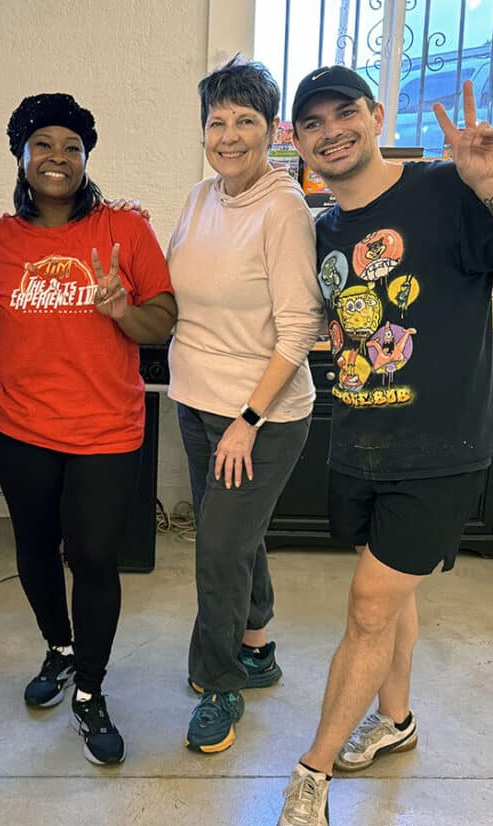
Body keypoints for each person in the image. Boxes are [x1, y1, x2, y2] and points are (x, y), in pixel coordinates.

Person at [273, 66, 493, 826]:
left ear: (376, 116)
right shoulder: (323, 227)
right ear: (299, 141)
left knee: (369, 606)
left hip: (441, 448)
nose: (331, 130)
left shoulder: (449, 189)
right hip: (363, 440)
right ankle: (397, 720)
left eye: (346, 112)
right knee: (393, 590)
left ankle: (311, 774)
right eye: (312, 122)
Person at [0, 93, 176, 766]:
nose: (58, 158)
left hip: (107, 429)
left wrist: (122, 312)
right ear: (21, 156)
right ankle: (59, 647)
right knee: (34, 543)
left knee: (92, 557)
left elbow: (162, 322)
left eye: (71, 148)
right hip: (17, 427)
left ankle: (90, 689)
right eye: (43, 145)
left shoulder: (125, 232)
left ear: (86, 159)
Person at [167, 57, 324, 754]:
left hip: (260, 417)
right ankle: (256, 646)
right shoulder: (201, 197)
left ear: (271, 131)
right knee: (237, 534)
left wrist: (247, 421)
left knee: (219, 547)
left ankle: (220, 679)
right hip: (196, 400)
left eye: (245, 122)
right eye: (217, 121)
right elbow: (180, 292)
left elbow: (300, 330)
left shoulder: (284, 210)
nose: (228, 135)